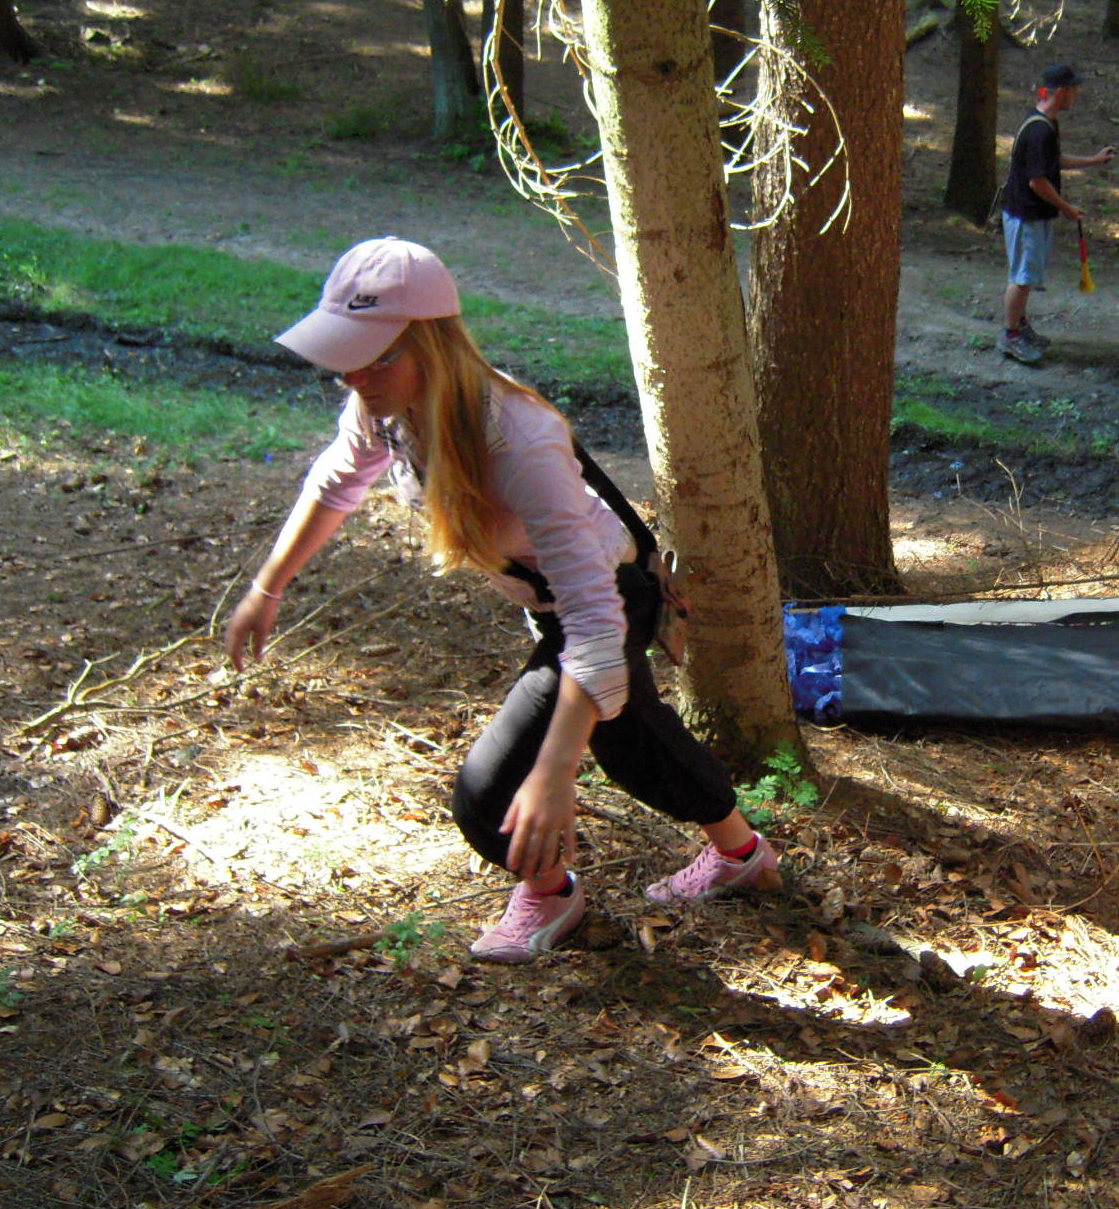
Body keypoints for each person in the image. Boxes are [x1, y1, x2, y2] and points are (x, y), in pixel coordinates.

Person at [224, 239, 782, 964]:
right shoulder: (388, 407)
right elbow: (338, 480)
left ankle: (551, 895)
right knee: (634, 740)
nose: (356, 376)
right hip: (562, 605)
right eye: (347, 357)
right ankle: (741, 854)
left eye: (376, 358)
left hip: (605, 599)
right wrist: (267, 587)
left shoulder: (517, 437)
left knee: (491, 796)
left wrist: (554, 772)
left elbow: (593, 620)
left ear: (433, 347)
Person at [997, 61, 1116, 364]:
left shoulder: (1045, 122)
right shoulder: (1039, 130)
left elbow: (1053, 161)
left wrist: (1093, 160)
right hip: (1025, 214)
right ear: (1061, 92)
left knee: (1027, 275)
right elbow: (1037, 181)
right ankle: (1010, 336)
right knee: (1022, 277)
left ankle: (1020, 325)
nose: (1076, 95)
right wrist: (1066, 208)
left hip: (1033, 213)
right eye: (1074, 89)